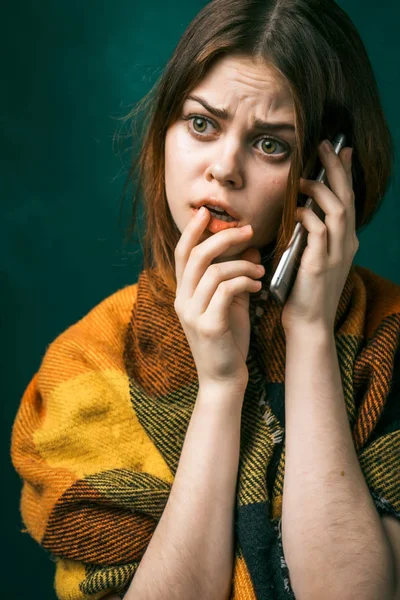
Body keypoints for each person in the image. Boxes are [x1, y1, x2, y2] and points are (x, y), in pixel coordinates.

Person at [11, 0, 400, 599]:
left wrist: (312, 336)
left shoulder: (388, 339)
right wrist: (220, 389)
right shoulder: (83, 369)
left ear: (331, 173)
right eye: (201, 124)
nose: (223, 168)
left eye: (270, 144)